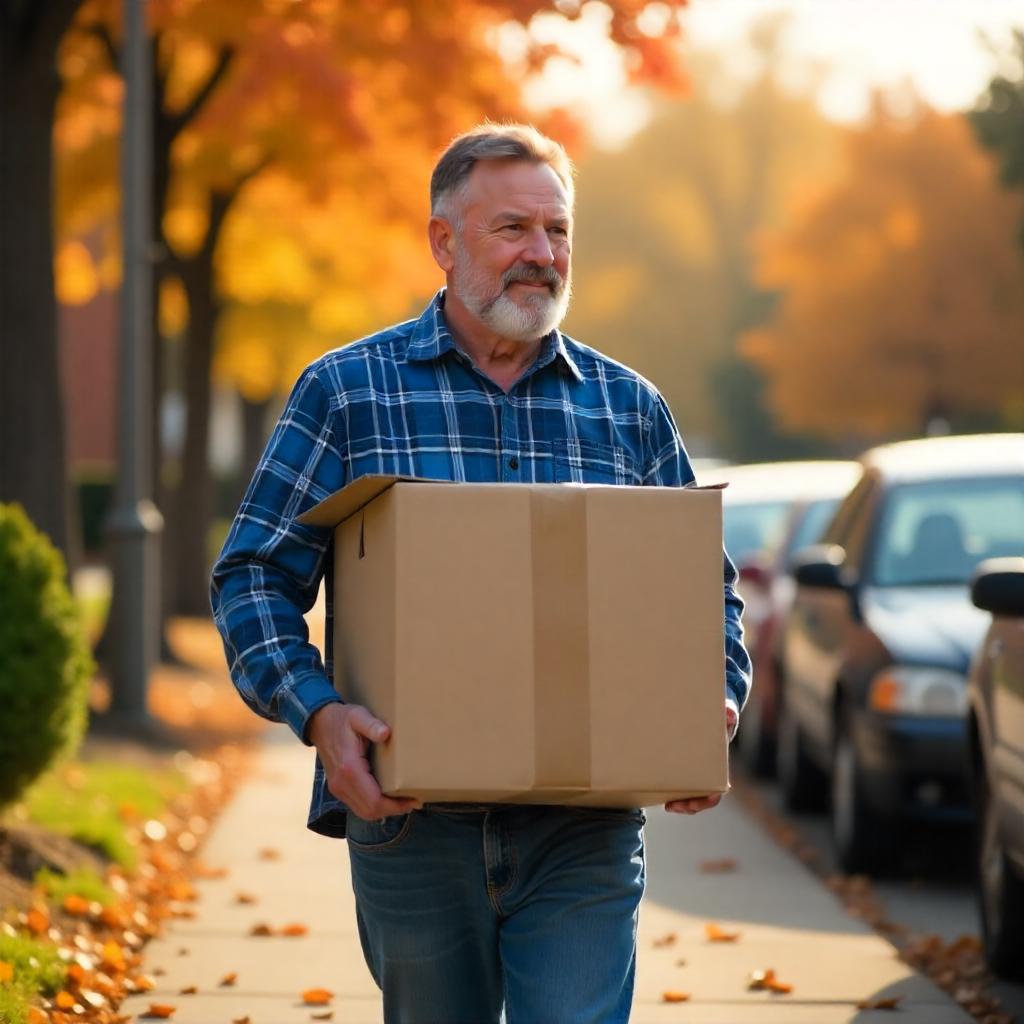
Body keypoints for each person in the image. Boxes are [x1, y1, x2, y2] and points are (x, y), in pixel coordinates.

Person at [211, 122, 751, 1024]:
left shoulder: (629, 408)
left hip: (586, 819)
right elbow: (253, 576)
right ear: (443, 241)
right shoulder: (348, 392)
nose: (543, 254)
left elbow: (704, 590)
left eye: (559, 230)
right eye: (513, 230)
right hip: (412, 815)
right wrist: (317, 711)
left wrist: (713, 697)